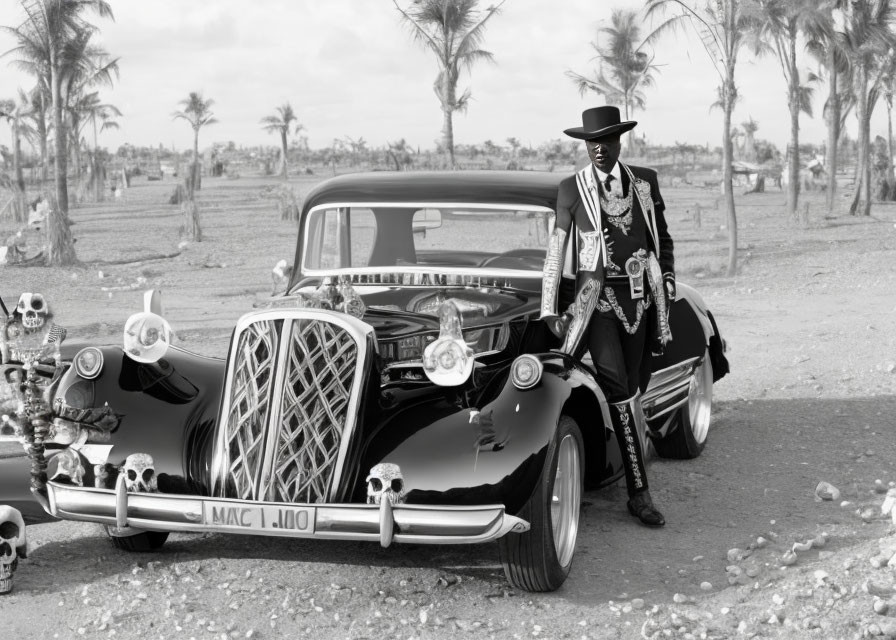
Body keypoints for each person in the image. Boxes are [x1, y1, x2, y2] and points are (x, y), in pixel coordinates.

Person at [541, 106, 675, 527]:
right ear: (585, 145)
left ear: (620, 142)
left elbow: (663, 238)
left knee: (634, 385)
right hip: (595, 304)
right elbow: (555, 251)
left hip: (641, 303)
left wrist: (667, 278)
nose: (599, 149)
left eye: (607, 141)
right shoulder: (571, 189)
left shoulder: (644, 182)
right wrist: (550, 308)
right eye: (591, 143)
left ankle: (624, 456)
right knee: (617, 386)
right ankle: (639, 493)